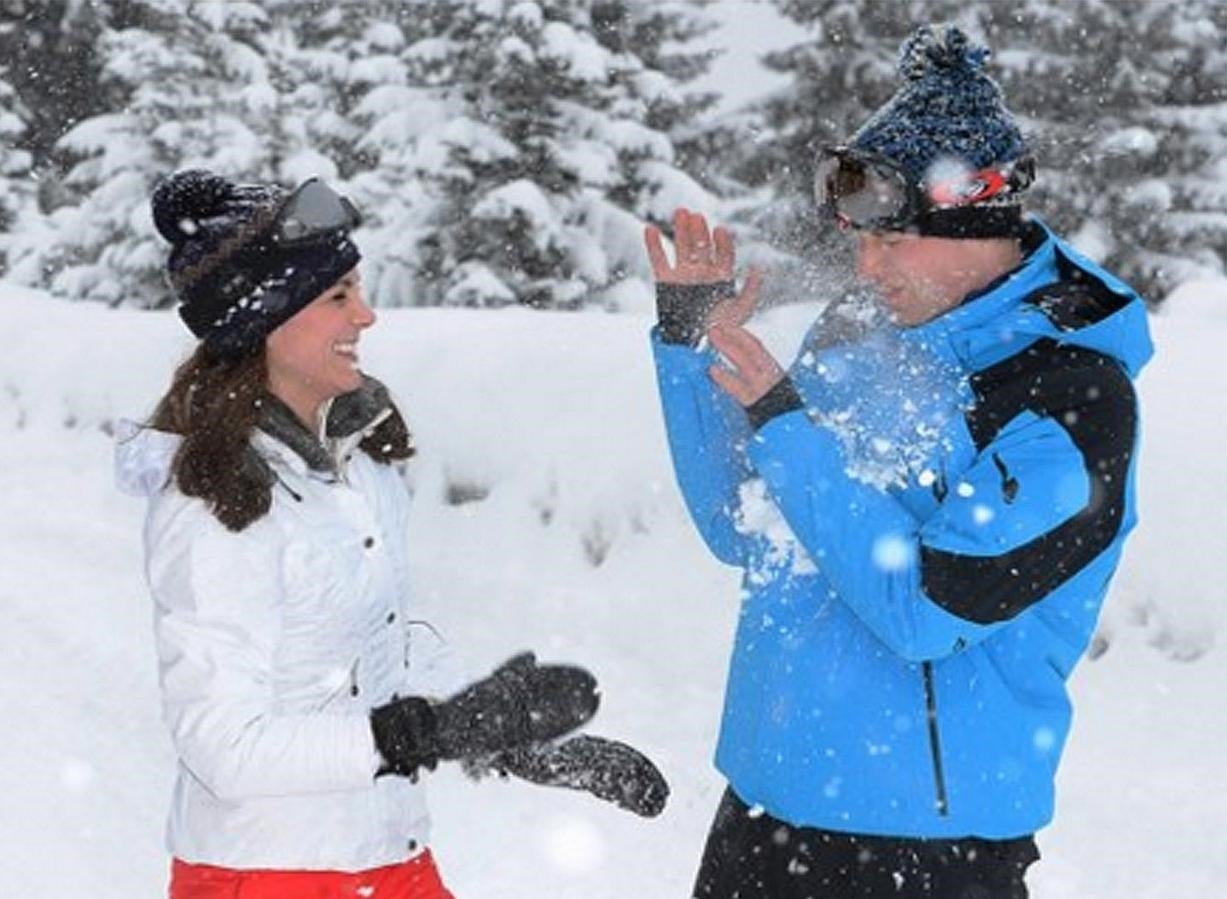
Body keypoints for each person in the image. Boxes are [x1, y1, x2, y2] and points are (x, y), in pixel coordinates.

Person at [644, 24, 1152, 899]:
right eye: (856, 239)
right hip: (761, 812)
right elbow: (745, 526)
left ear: (975, 219)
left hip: (926, 850)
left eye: (889, 240)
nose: (865, 265)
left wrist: (782, 420)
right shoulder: (856, 331)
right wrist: (692, 348)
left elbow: (927, 607)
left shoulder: (1067, 394)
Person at [116, 169, 667, 899]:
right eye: (338, 296)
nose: (367, 316)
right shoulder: (218, 502)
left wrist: (495, 732)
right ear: (265, 320)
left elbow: (380, 645)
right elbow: (223, 746)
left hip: (386, 855)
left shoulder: (356, 465)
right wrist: (420, 733)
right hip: (269, 872)